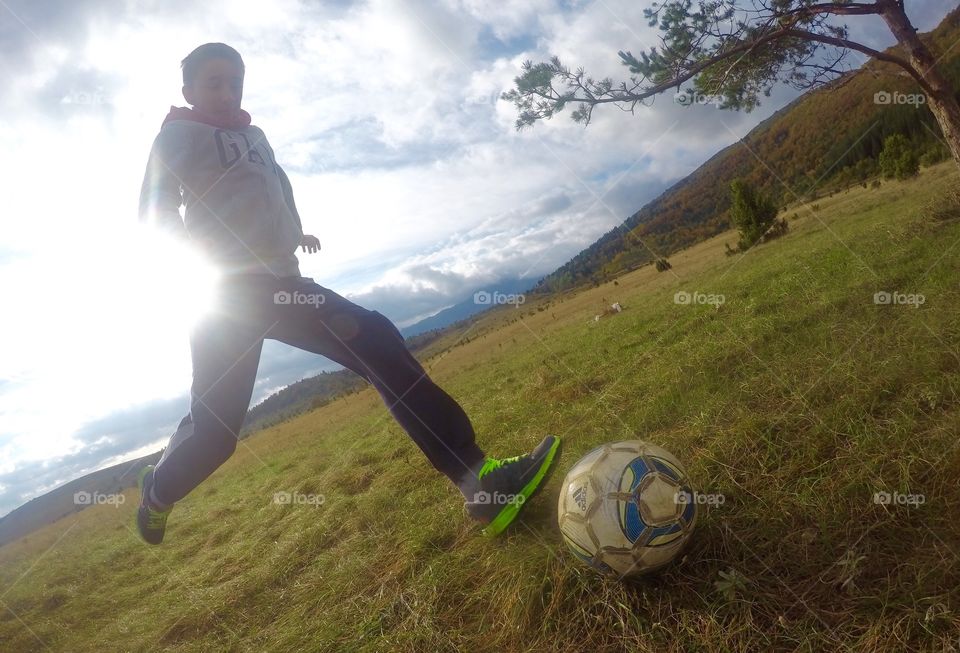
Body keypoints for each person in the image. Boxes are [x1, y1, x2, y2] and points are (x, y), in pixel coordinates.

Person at [134, 43, 561, 544]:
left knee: (374, 337)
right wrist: (198, 262)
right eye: (214, 84)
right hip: (224, 296)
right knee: (215, 434)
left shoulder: (255, 136)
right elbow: (155, 212)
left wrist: (295, 231)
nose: (228, 93)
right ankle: (157, 492)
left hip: (282, 285)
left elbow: (274, 188)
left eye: (236, 82)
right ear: (188, 90)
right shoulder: (177, 135)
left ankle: (477, 480)